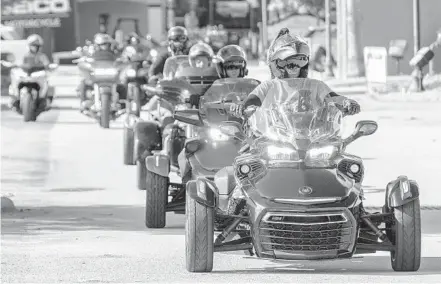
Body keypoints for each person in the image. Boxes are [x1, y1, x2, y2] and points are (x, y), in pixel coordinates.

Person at [230, 28, 360, 117]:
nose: (294, 66)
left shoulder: (316, 85)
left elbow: (333, 97)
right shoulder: (269, 86)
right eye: (288, 62)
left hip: (313, 139)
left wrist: (347, 102)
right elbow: (253, 100)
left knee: (340, 156)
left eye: (300, 60)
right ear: (277, 63)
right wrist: (241, 106)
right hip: (276, 139)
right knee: (250, 156)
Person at [8, 34, 54, 111]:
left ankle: (45, 102)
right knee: (13, 85)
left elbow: (47, 65)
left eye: (37, 45)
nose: (35, 47)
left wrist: (48, 67)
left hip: (38, 75)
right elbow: (17, 63)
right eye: (33, 45)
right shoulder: (24, 55)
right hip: (26, 75)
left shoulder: (42, 56)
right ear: (29, 45)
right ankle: (14, 100)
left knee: (49, 86)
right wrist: (13, 65)